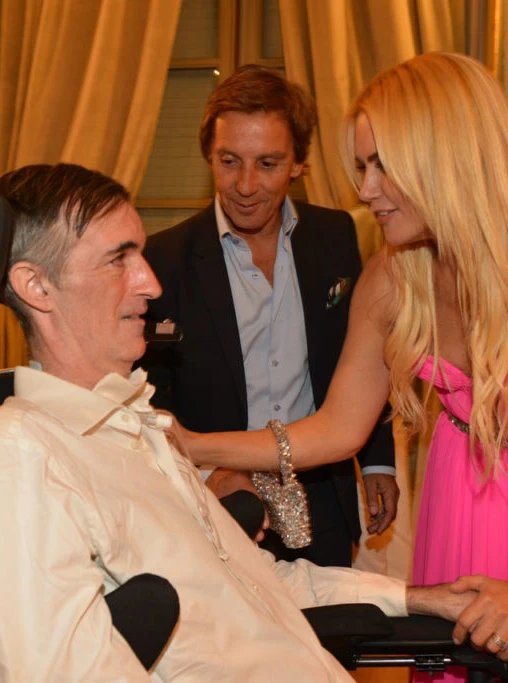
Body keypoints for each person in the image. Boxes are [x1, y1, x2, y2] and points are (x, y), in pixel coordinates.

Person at [0, 163, 508, 681]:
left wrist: (421, 598)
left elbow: (259, 581)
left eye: (141, 254)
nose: (151, 282)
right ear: (35, 286)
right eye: (118, 258)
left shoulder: (138, 431)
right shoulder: (14, 458)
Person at [181, 53, 508, 681]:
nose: (365, 189)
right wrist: (194, 445)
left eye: (382, 165)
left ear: (446, 155)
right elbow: (338, 427)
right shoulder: (392, 276)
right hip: (465, 508)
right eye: (362, 166)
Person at [140, 64, 399, 568]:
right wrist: (209, 472)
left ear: (299, 163)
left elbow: (365, 353)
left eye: (267, 163)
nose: (245, 184)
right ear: (208, 157)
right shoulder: (163, 258)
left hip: (322, 493)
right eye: (229, 161)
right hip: (216, 501)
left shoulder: (336, 235)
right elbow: (148, 394)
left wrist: (376, 461)